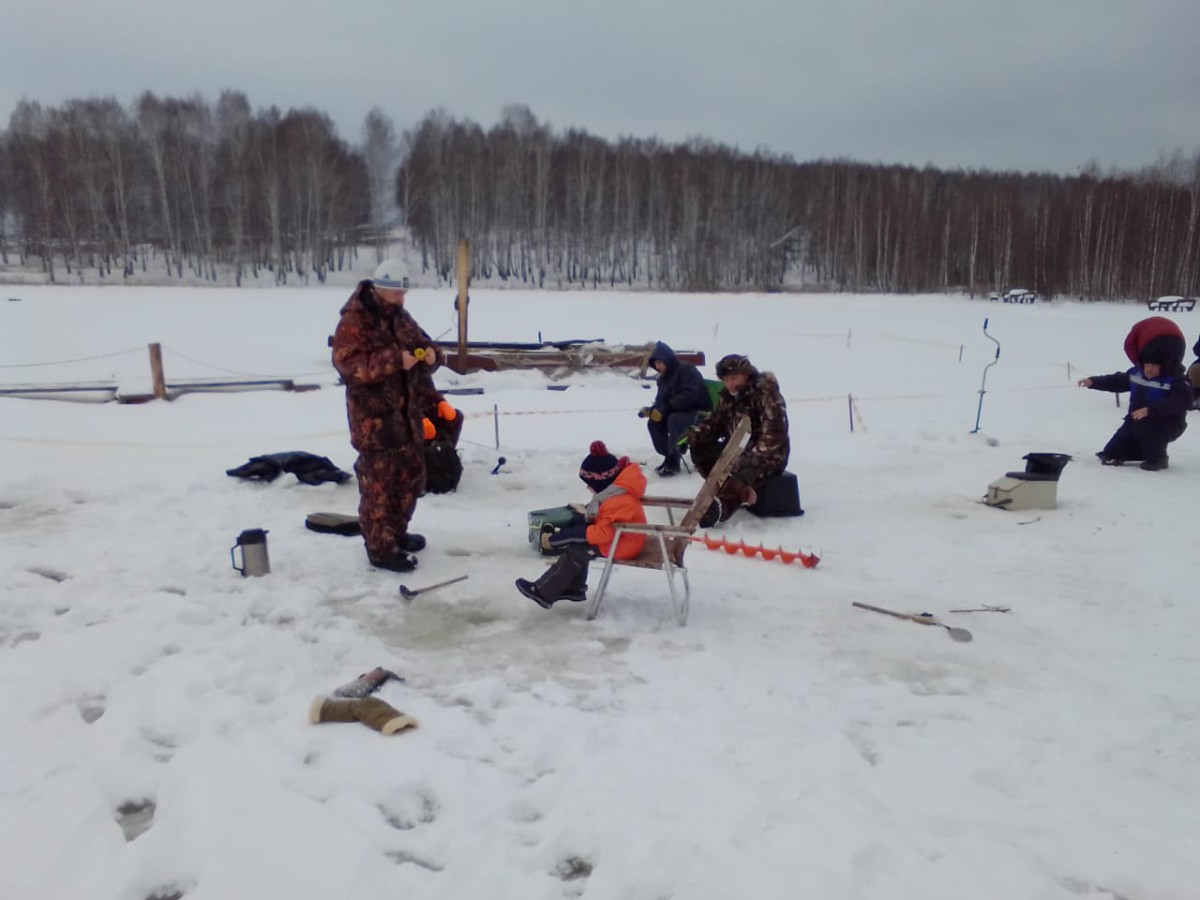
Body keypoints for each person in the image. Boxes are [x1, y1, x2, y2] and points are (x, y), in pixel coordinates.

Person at [331, 258, 439, 571]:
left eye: (404, 294)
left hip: (405, 417)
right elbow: (348, 365)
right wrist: (394, 360)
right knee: (380, 486)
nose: (402, 299)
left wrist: (431, 354)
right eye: (397, 294)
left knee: (408, 480)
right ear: (380, 290)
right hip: (375, 422)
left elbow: (423, 342)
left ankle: (397, 533)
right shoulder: (355, 319)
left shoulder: (400, 317)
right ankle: (380, 549)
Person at [515, 441, 647, 609]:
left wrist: (562, 537)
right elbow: (604, 521)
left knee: (577, 551)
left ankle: (543, 592)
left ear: (601, 482)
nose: (588, 488)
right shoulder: (613, 493)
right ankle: (573, 588)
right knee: (577, 546)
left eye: (590, 484)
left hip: (624, 544)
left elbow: (602, 534)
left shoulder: (617, 500)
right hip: (622, 537)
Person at [1077, 317, 1192, 470]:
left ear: (1163, 367)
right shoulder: (1137, 374)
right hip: (1135, 419)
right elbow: (1118, 381)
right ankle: (1139, 452)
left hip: (1166, 424)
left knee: (1148, 427)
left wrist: (1150, 410)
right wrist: (1093, 382)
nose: (1149, 370)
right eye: (1147, 366)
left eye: (1154, 367)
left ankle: (1158, 459)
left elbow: (1182, 401)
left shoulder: (1175, 381)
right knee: (1111, 452)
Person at [688, 353, 790, 524]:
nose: (730, 384)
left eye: (734, 378)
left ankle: (722, 507)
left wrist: (746, 456)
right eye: (726, 379)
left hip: (769, 454)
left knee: (747, 464)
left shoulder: (766, 394)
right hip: (738, 449)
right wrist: (695, 435)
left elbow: (773, 436)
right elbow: (715, 422)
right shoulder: (728, 398)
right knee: (700, 447)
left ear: (747, 374)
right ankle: (727, 489)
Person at [639, 341, 712, 476]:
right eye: (655, 363)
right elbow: (661, 399)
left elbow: (691, 394)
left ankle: (673, 460)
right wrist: (653, 410)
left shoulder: (687, 370)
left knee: (674, 419)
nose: (657, 366)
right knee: (654, 423)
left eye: (660, 362)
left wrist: (667, 407)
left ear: (668, 359)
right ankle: (668, 454)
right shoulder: (662, 379)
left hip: (698, 412)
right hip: (677, 412)